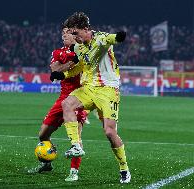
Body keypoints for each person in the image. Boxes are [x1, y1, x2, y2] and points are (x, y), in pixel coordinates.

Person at [51, 12, 131, 183]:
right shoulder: (79, 47)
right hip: (88, 88)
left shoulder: (101, 38)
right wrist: (62, 75)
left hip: (108, 90)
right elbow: (80, 66)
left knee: (109, 132)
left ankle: (124, 167)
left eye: (76, 33)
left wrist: (119, 37)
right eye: (71, 34)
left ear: (86, 29)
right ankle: (76, 146)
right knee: (67, 104)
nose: (74, 37)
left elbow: (113, 38)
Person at [27, 25, 87, 182]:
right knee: (43, 134)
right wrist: (73, 61)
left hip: (79, 97)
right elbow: (55, 71)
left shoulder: (84, 50)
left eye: (67, 33)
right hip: (62, 98)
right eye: (63, 33)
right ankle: (47, 164)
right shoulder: (57, 52)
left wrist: (75, 58)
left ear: (75, 35)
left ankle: (74, 171)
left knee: (77, 138)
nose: (64, 35)